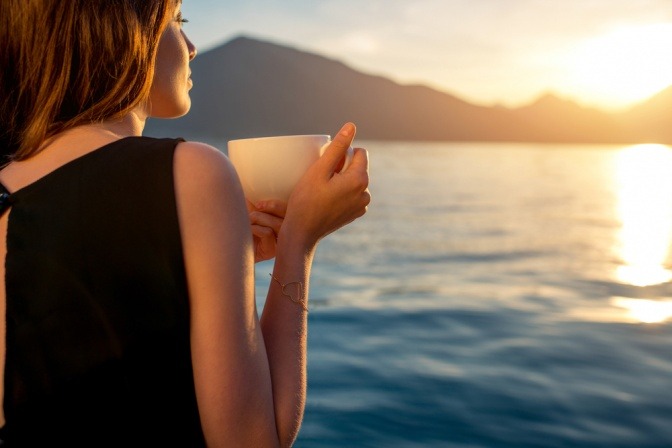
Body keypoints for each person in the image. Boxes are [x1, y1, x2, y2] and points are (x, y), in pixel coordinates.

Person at [0, 0, 370, 446]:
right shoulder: (190, 170)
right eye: (178, 21)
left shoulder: (8, 185)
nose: (192, 47)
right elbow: (255, 440)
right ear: (122, 32)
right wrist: (299, 242)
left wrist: (217, 258)